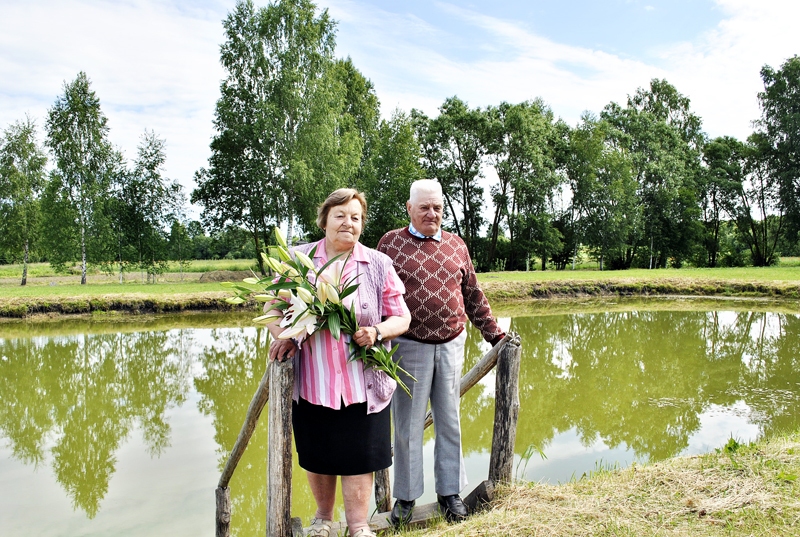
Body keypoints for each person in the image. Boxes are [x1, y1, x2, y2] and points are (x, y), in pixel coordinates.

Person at [266, 188, 411, 537]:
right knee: (318, 454)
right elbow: (272, 307)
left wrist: (376, 331)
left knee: (360, 456)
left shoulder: (377, 263)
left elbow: (401, 317)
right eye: (341, 215)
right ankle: (323, 520)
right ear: (325, 219)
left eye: (356, 217)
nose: (349, 222)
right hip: (313, 381)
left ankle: (359, 526)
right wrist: (281, 334)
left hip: (364, 382)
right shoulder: (299, 260)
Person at [377, 179, 505, 525]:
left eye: (437, 208)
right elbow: (374, 295)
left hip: (450, 343)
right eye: (424, 208)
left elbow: (473, 295)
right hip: (407, 345)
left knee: (450, 421)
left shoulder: (456, 245)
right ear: (409, 209)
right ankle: (405, 497)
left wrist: (494, 333)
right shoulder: (390, 244)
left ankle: (449, 494)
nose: (432, 214)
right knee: (407, 425)